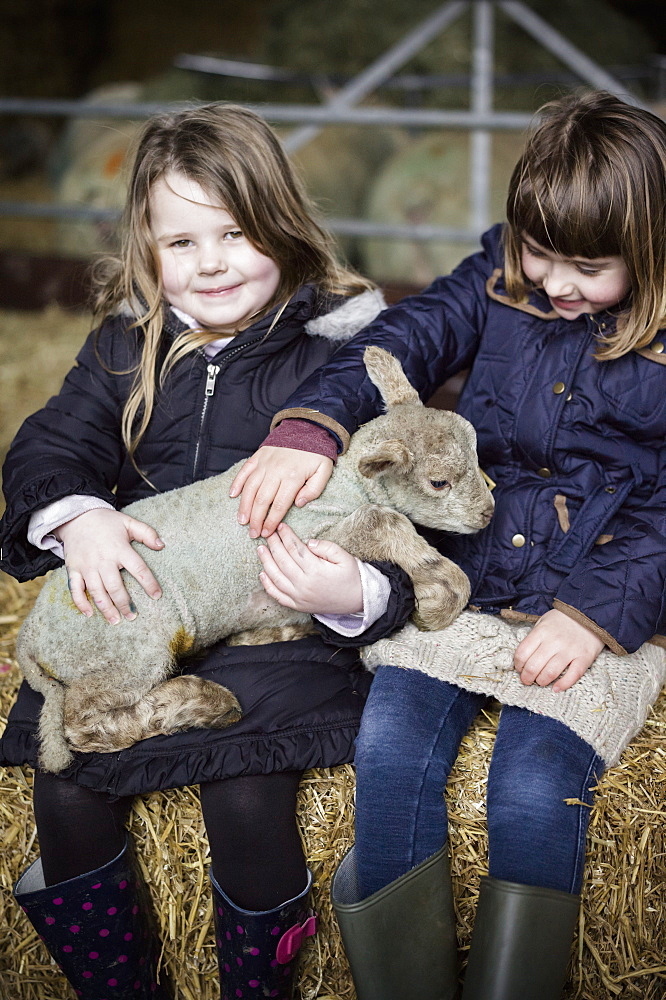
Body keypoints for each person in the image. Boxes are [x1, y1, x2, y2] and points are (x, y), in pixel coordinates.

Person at [230, 91, 666, 1000]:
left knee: (530, 789)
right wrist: (311, 424)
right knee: (388, 750)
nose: (554, 281)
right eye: (539, 249)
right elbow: (404, 337)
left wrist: (594, 616)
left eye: (588, 265)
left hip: (601, 596)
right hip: (466, 577)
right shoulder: (497, 278)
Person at [0, 104, 416, 1000]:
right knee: (64, 778)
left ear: (283, 224)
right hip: (152, 607)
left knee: (246, 790)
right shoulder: (127, 343)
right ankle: (121, 985)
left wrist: (357, 590)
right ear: (146, 248)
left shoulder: (337, 356)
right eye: (180, 242)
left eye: (235, 233)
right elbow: (50, 446)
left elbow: (398, 503)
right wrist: (80, 519)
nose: (212, 262)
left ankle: (253, 986)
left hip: (283, 629)